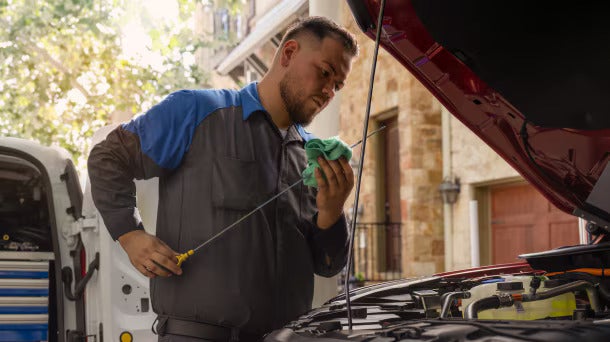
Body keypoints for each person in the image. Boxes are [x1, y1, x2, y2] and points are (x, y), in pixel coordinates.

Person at [87, 16, 359, 341]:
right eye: (325, 73)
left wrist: (332, 212)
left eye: (338, 85)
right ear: (288, 53)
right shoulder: (197, 110)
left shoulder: (311, 155)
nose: (329, 91)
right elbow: (108, 157)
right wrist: (129, 234)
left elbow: (327, 266)